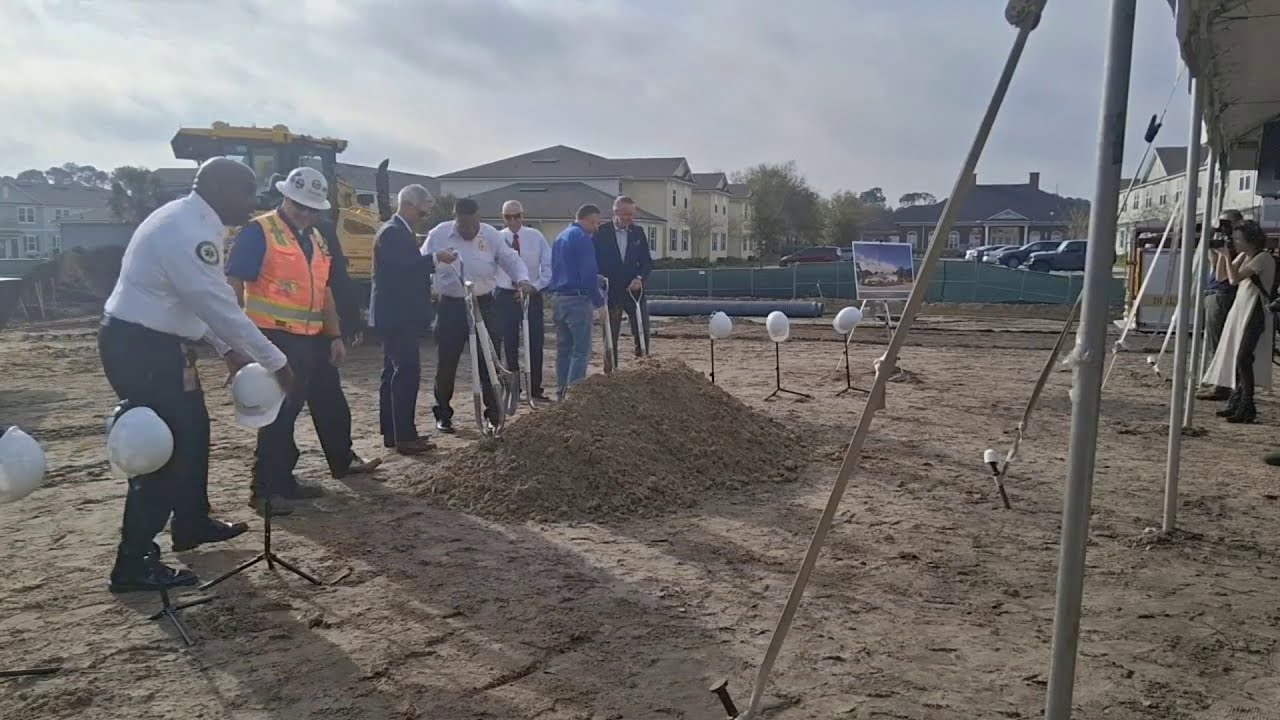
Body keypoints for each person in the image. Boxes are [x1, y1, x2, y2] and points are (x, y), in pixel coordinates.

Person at [98, 157, 295, 592]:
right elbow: (215, 303)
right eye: (247, 192)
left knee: (193, 433)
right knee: (160, 450)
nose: (252, 202)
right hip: (141, 348)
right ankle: (133, 563)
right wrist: (276, 360)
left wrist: (228, 351)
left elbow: (193, 301)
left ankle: (191, 522)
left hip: (160, 343)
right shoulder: (189, 232)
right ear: (219, 188)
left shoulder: (191, 220)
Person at [225, 166, 379, 514]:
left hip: (313, 337)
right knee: (281, 412)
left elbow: (322, 291)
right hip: (274, 336)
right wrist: (235, 341)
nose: (305, 213)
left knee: (329, 399)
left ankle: (298, 476)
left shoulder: (317, 237)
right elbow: (234, 283)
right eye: (299, 206)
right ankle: (265, 489)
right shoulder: (259, 231)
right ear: (285, 197)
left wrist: (335, 335)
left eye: (311, 208)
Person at [420, 198, 534, 433]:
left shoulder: (491, 235)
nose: (470, 231)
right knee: (447, 362)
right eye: (464, 227)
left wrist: (522, 279)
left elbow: (510, 259)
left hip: (484, 304)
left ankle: (493, 414)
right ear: (456, 219)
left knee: (489, 361)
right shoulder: (439, 234)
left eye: (473, 226)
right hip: (451, 305)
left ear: (478, 219)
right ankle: (443, 413)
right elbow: (420, 262)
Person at [370, 185, 436, 454]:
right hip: (397, 315)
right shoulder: (392, 234)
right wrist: (434, 258)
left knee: (392, 373)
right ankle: (404, 436)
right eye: (421, 212)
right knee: (406, 372)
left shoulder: (398, 233)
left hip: (396, 314)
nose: (422, 217)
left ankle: (393, 432)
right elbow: (403, 267)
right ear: (409, 205)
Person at [1202, 219, 1276, 423]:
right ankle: (1237, 401)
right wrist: (1219, 257)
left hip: (1255, 310)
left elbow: (1234, 279)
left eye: (1237, 239)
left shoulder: (1262, 258)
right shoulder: (1246, 255)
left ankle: (1247, 404)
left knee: (1243, 357)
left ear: (1249, 240)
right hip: (1242, 309)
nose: (1234, 243)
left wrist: (1227, 256)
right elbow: (1222, 276)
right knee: (1237, 356)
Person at [495, 200, 553, 402]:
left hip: (532, 294)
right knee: (509, 343)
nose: (513, 221)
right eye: (508, 217)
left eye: (517, 216)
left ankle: (535, 388)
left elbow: (548, 266)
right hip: (505, 295)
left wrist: (534, 286)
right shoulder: (497, 238)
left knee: (535, 342)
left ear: (522, 215)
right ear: (503, 218)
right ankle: (513, 389)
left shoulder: (535, 237)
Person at [549, 204, 606, 398]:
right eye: (595, 223)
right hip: (577, 299)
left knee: (563, 348)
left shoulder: (560, 237)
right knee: (581, 350)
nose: (596, 228)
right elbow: (588, 273)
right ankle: (574, 394)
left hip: (558, 298)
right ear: (587, 219)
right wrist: (599, 302)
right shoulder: (582, 239)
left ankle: (561, 390)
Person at [593, 195, 654, 360]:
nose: (630, 218)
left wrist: (639, 278)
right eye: (626, 214)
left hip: (634, 292)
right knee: (610, 336)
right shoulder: (601, 233)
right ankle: (611, 371)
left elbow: (647, 262)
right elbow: (593, 262)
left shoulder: (638, 233)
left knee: (642, 331)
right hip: (611, 293)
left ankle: (643, 366)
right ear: (615, 211)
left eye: (632, 214)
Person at [1196, 209, 1245, 402]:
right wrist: (1212, 244)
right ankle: (1217, 380)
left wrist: (1225, 251)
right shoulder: (1228, 245)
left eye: (1226, 224)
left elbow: (1222, 275)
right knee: (1215, 340)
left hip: (1223, 293)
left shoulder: (1240, 247)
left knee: (1220, 343)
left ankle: (1222, 385)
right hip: (1215, 292)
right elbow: (1213, 263)